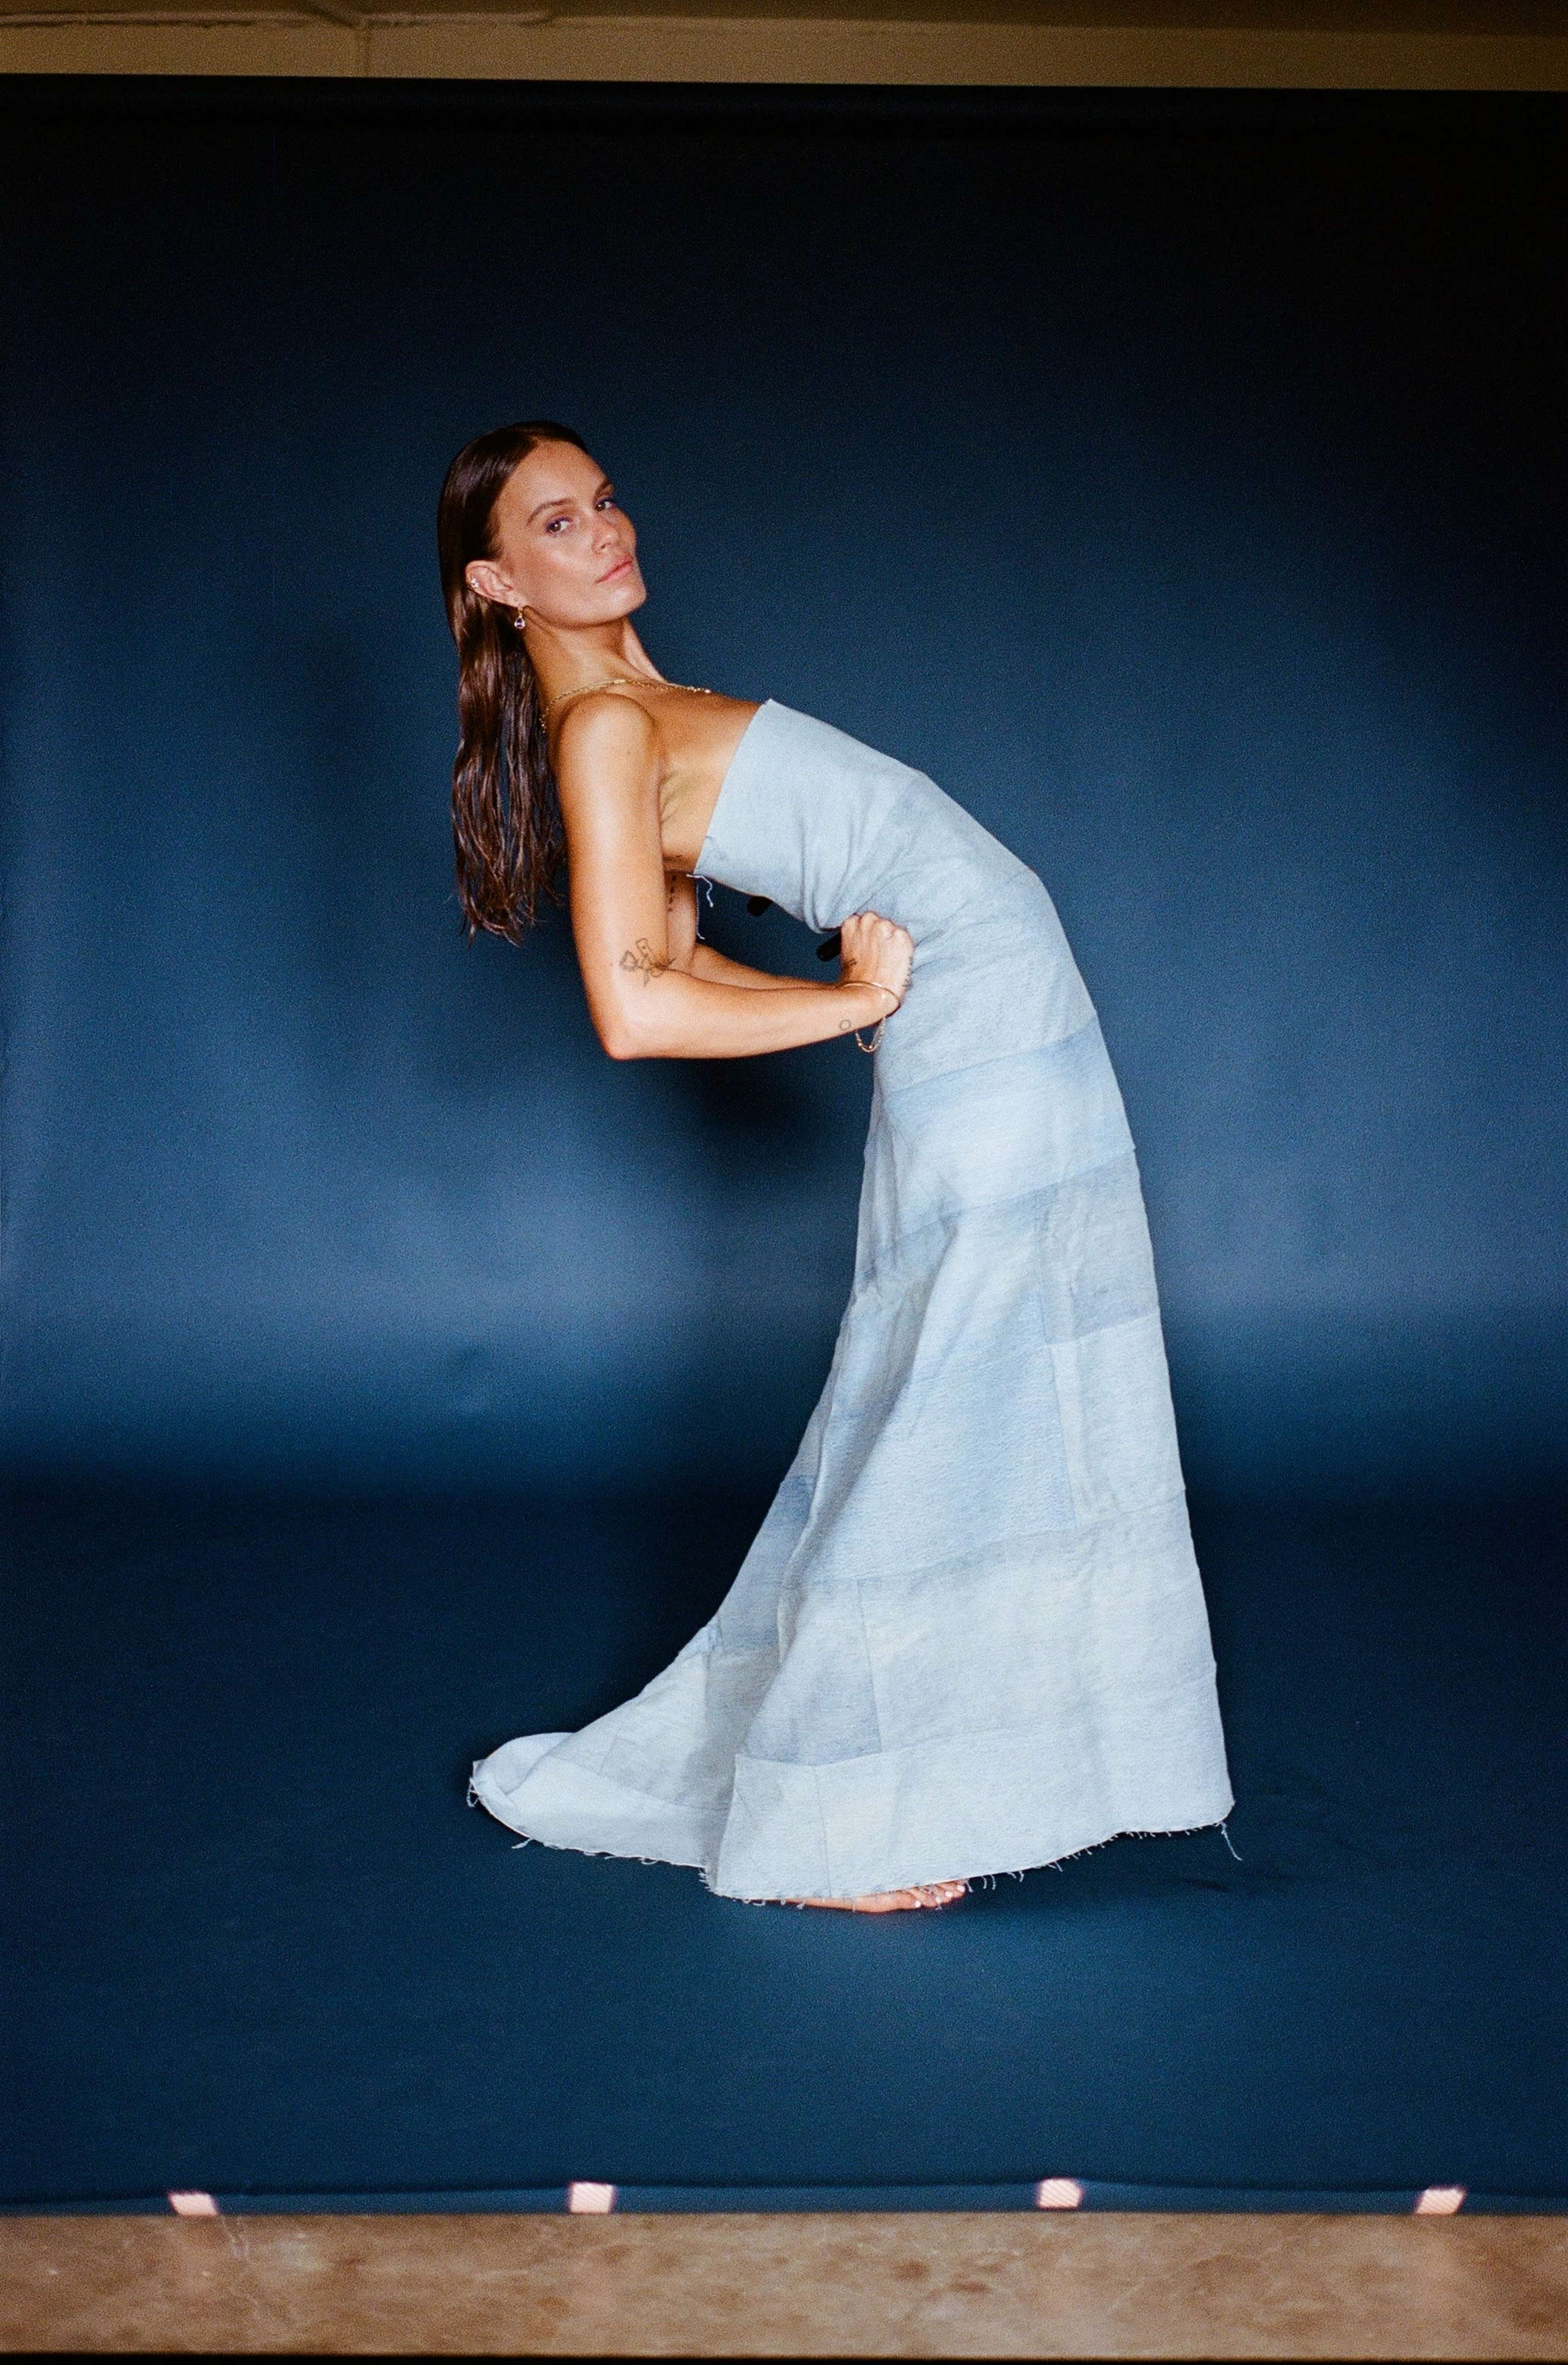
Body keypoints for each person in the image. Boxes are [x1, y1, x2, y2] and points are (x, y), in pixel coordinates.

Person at [446, 419, 1233, 1913]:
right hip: (984, 1031)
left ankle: (960, 1767)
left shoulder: (642, 704)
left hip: (1012, 1026)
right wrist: (858, 1005)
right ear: (495, 582)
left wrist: (854, 1004)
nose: (605, 529)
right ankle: (841, 1819)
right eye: (556, 524)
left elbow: (674, 958)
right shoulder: (604, 736)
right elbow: (638, 1009)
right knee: (958, 1388)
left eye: (606, 498)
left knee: (996, 1382)